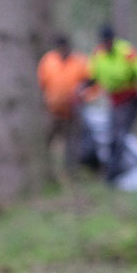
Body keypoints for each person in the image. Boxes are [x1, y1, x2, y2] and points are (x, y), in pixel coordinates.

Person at [83, 24, 137, 182]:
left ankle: (114, 173)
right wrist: (83, 90)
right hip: (114, 100)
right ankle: (113, 169)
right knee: (112, 135)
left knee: (120, 135)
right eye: (104, 42)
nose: (107, 45)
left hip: (130, 99)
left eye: (109, 41)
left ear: (113, 40)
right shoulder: (98, 55)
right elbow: (92, 78)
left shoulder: (126, 52)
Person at [37, 34, 91, 177]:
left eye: (64, 47)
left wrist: (82, 92)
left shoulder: (80, 61)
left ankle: (71, 173)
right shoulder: (48, 61)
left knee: (72, 143)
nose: (62, 50)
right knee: (45, 140)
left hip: (73, 110)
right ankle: (43, 171)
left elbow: (91, 81)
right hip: (52, 110)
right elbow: (41, 84)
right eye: (59, 47)